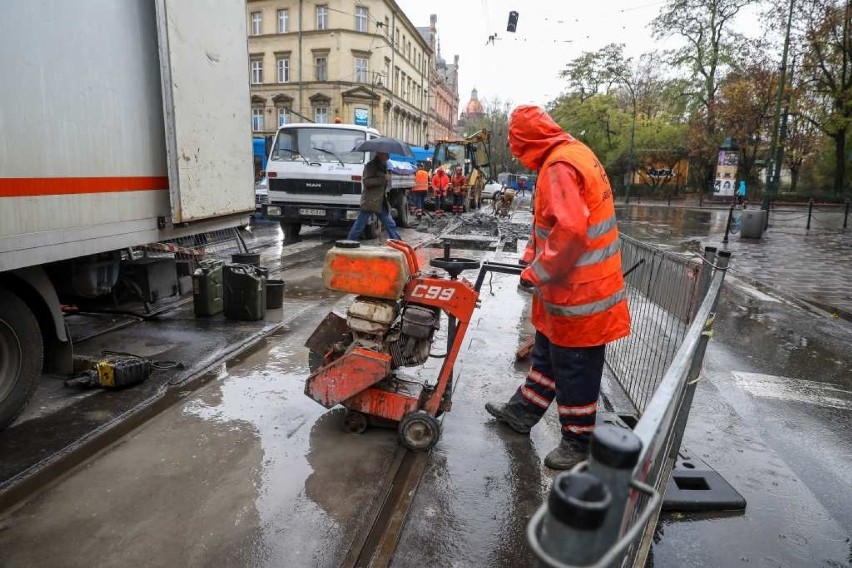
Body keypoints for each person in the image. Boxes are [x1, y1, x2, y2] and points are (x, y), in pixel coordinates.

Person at [485, 105, 631, 470]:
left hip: (579, 291)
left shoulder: (559, 167)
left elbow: (569, 232)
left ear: (528, 140)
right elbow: (550, 224)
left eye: (517, 145)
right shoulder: (573, 154)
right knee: (547, 355)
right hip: (573, 287)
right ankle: (523, 412)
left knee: (576, 368)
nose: (517, 153)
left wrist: (540, 271)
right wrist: (533, 257)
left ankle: (577, 442)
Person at [347, 151, 402, 241]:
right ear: (380, 154)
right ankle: (349, 243)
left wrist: (387, 179)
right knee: (360, 225)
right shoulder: (371, 166)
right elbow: (366, 181)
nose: (388, 157)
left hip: (381, 201)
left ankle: (398, 243)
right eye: (386, 155)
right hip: (370, 201)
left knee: (390, 224)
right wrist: (383, 178)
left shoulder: (384, 166)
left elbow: (383, 184)